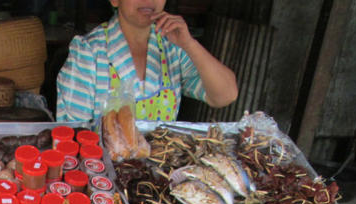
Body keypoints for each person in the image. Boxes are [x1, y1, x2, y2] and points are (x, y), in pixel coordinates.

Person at [56, 0, 238, 122]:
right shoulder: (89, 53)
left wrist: (190, 44)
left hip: (159, 175)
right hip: (103, 175)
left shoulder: (171, 47)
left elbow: (225, 95)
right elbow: (73, 136)